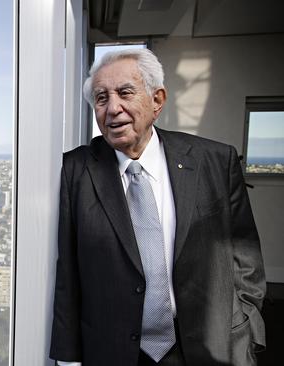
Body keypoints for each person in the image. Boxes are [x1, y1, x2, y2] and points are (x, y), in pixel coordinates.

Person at [49, 49, 266, 366]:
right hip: (114, 351)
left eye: (125, 92)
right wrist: (68, 359)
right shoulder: (75, 171)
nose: (113, 109)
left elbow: (245, 254)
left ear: (157, 100)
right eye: (101, 98)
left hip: (210, 346)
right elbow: (67, 274)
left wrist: (247, 325)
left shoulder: (215, 162)